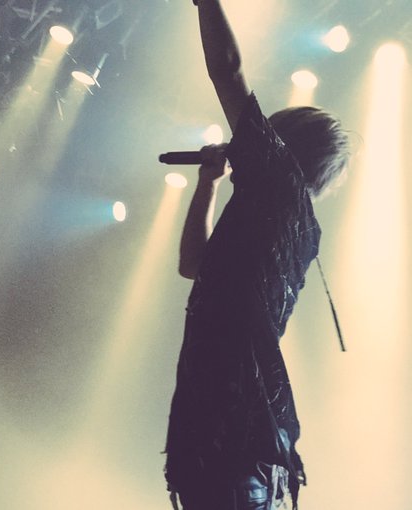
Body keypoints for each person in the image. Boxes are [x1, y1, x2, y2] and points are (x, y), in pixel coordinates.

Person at [163, 0, 350, 509]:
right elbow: (193, 266)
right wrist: (208, 183)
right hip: (230, 438)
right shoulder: (288, 224)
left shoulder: (278, 181)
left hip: (232, 436)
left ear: (280, 145)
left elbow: (227, 72)